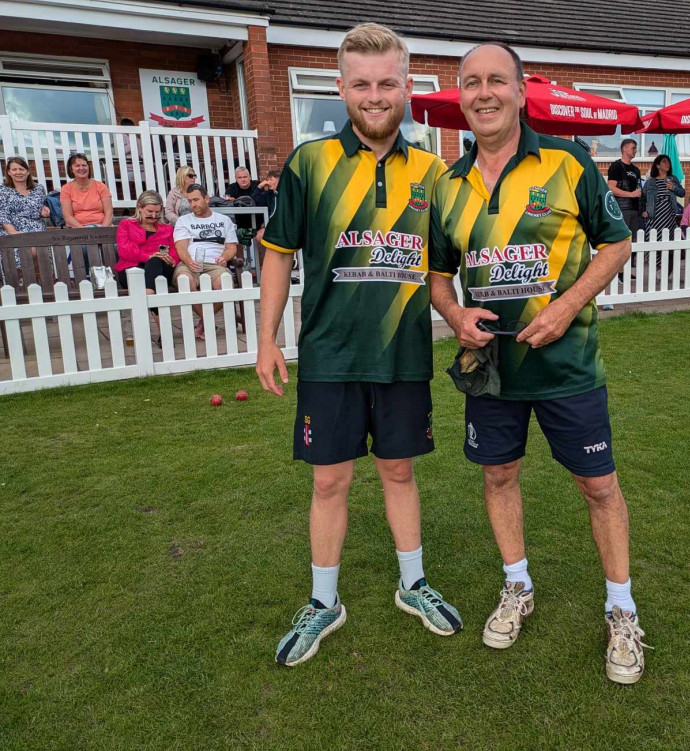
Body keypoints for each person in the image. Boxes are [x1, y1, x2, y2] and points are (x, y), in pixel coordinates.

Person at [427, 41, 645, 685]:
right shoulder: (448, 184)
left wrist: (566, 304)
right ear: (461, 97)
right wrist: (454, 316)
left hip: (568, 366)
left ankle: (622, 609)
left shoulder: (567, 160)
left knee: (599, 487)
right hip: (491, 370)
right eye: (472, 83)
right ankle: (516, 587)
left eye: (498, 81)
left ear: (522, 92)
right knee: (498, 477)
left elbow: (617, 241)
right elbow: (440, 277)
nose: (484, 93)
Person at [255, 23, 461, 668]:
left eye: (388, 83)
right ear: (342, 88)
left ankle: (413, 585)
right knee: (330, 480)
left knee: (399, 471)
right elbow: (278, 256)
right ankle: (324, 602)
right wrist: (266, 340)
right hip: (330, 356)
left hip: (402, 355)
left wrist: (462, 316)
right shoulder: (310, 162)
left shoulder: (433, 172)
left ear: (407, 86)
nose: (376, 95)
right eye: (362, 84)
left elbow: (441, 268)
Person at [172, 184, 238, 338]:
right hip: (191, 262)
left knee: (225, 284)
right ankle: (208, 322)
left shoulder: (223, 220)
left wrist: (225, 257)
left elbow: (231, 247)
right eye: (190, 201)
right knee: (185, 281)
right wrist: (188, 261)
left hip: (215, 263)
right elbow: (181, 247)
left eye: (196, 200)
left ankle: (203, 323)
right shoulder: (183, 221)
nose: (193, 204)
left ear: (206, 198)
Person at [114, 190, 177, 292]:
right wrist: (148, 257)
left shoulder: (167, 228)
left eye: (157, 212)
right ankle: (151, 300)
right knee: (153, 261)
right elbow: (124, 250)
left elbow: (173, 251)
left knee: (156, 261)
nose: (153, 216)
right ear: (139, 207)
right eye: (150, 211)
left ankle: (149, 295)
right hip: (132, 269)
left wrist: (172, 260)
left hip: (161, 269)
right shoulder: (126, 224)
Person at [60, 153, 112, 228]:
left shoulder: (101, 186)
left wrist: (103, 231)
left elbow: (109, 213)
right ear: (71, 169)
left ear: (88, 167)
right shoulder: (66, 189)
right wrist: (85, 233)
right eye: (77, 166)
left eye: (84, 165)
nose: (81, 168)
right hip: (78, 229)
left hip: (102, 227)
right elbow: (68, 217)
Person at [0, 156, 49, 236]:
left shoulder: (39, 188)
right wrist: (13, 232)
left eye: (22, 169)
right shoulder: (2, 190)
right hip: (12, 231)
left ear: (28, 171)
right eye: (14, 170)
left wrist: (44, 210)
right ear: (9, 172)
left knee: (40, 245)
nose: (18, 172)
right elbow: (2, 215)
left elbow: (42, 206)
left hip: (37, 229)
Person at [641, 154, 684, 239]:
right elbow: (642, 198)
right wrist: (643, 211)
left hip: (669, 215)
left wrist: (674, 188)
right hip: (654, 215)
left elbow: (682, 193)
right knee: (654, 239)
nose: (667, 164)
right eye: (664, 162)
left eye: (668, 162)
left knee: (667, 240)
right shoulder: (650, 182)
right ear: (657, 165)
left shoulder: (673, 179)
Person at [607, 138, 643, 239]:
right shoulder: (616, 166)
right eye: (633, 148)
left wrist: (642, 208)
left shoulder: (636, 170)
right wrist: (631, 194)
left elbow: (639, 190)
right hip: (622, 209)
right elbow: (611, 188)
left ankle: (633, 256)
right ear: (625, 148)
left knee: (634, 241)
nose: (636, 151)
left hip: (635, 210)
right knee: (623, 240)